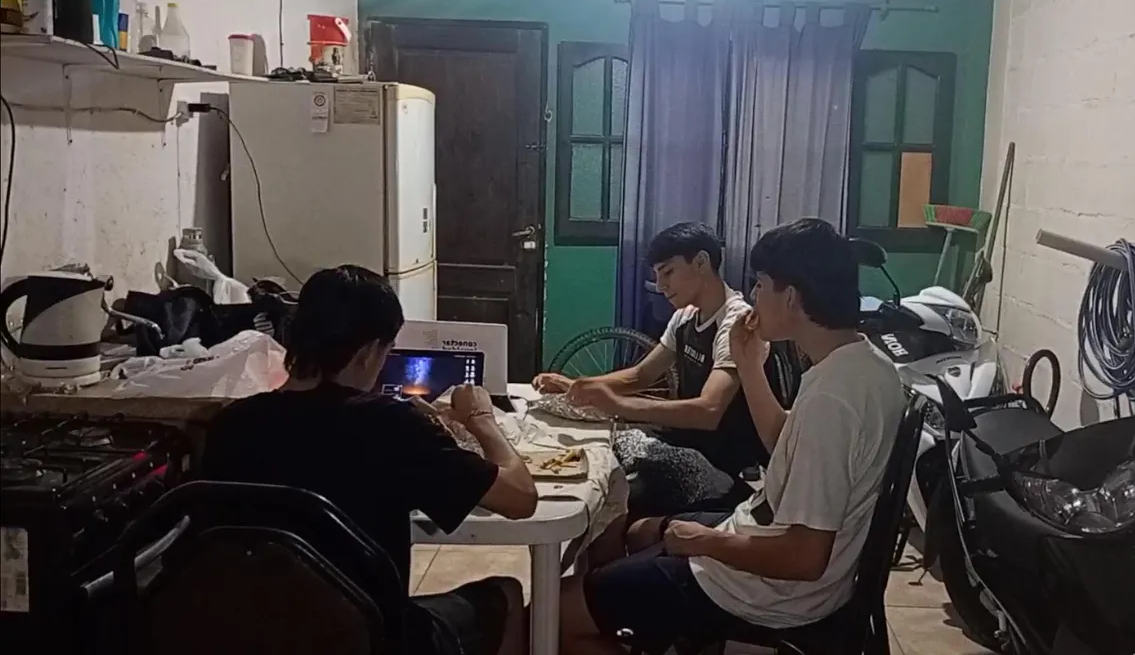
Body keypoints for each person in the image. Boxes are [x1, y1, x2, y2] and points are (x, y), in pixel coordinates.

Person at [559, 218, 907, 654]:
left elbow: (804, 556)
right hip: (768, 544)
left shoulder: (833, 398)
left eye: (761, 284)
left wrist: (707, 541)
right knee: (639, 535)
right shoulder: (866, 365)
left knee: (557, 615)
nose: (754, 296)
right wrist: (749, 365)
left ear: (791, 297)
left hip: (770, 594)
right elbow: (785, 444)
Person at [200, 265, 538, 655]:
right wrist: (481, 418)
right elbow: (520, 498)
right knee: (507, 593)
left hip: (251, 634)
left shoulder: (230, 425)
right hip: (369, 636)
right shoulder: (391, 426)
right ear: (367, 353)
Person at [533, 222, 770, 519]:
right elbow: (640, 375)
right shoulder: (686, 316)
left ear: (701, 262)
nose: (660, 286)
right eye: (657, 275)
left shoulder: (735, 323)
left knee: (612, 486)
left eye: (668, 272)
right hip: (685, 440)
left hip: (718, 461)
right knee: (600, 453)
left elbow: (708, 411)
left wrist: (617, 404)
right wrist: (579, 386)